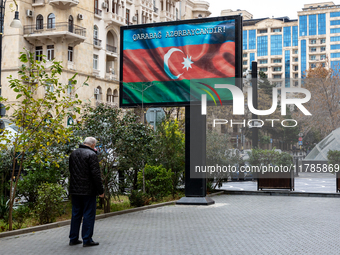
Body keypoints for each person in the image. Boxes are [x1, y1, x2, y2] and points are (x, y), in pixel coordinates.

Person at [68, 137, 104, 247]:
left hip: (75, 190)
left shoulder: (73, 154)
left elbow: (71, 170)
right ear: (93, 145)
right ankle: (87, 239)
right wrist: (100, 191)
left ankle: (73, 238)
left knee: (76, 213)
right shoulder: (92, 155)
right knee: (88, 214)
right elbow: (96, 175)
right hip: (88, 190)